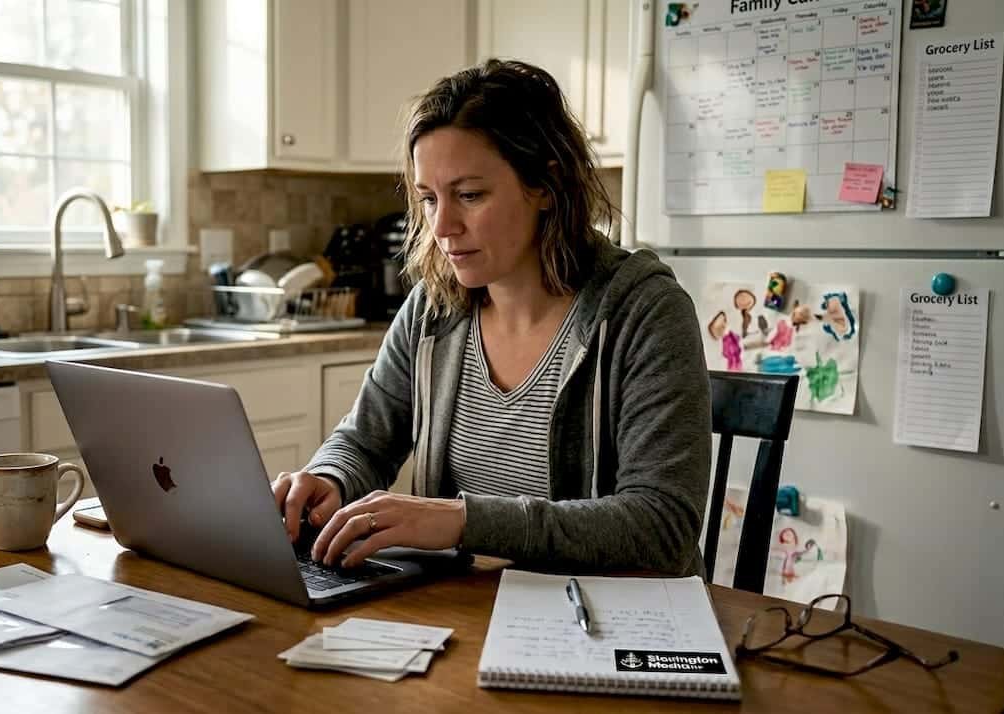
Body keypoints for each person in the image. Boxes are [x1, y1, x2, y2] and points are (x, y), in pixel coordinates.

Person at [271, 59, 711, 576]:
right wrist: (330, 477)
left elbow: (663, 527)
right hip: (463, 617)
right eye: (429, 199)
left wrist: (461, 521)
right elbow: (365, 440)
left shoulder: (644, 311)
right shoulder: (434, 308)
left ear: (545, 185)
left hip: (603, 627)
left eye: (470, 195)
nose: (442, 226)